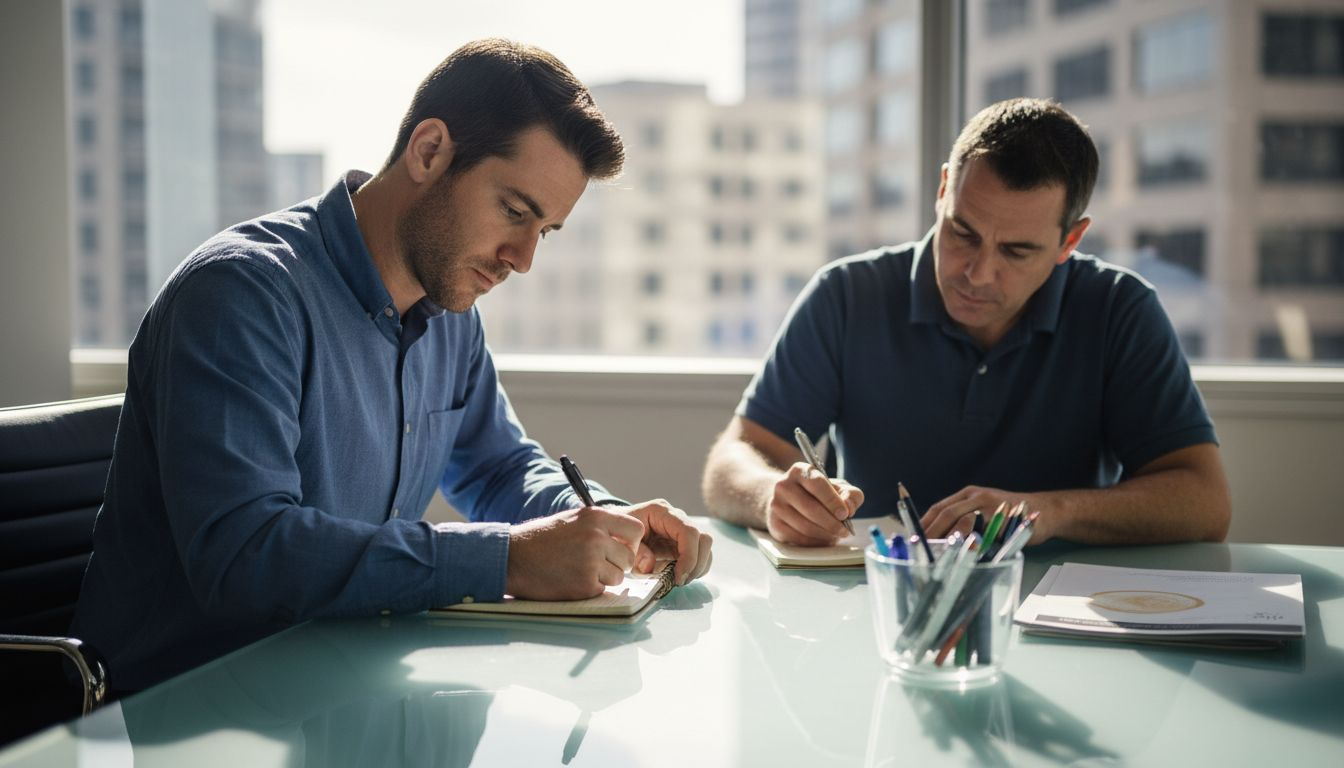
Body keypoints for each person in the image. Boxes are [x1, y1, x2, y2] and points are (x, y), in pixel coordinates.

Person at [72, 38, 712, 691]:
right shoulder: (241, 295)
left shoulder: (451, 315)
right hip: (187, 711)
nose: (522, 259)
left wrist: (605, 521)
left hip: (341, 684)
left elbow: (497, 468)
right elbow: (245, 556)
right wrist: (507, 561)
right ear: (429, 151)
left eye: (542, 231)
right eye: (514, 212)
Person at [701, 97, 1230, 548]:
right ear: (943, 189)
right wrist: (773, 495)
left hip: (1064, 605)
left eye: (1017, 251)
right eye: (963, 233)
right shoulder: (846, 295)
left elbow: (1205, 504)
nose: (978, 274)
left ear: (1070, 240)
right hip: (876, 602)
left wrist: (1046, 512)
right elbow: (731, 463)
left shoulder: (1120, 309)